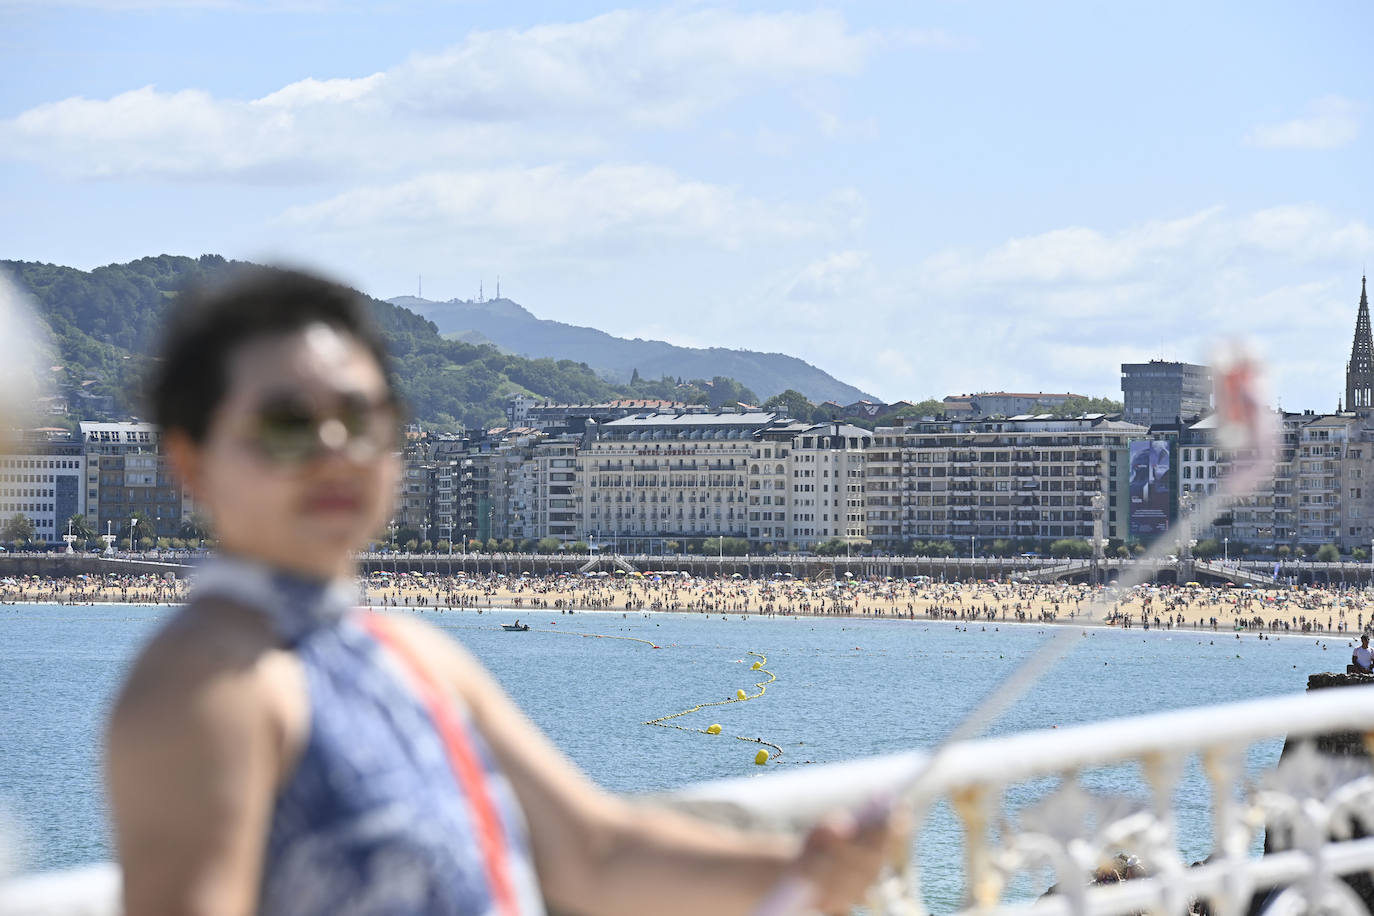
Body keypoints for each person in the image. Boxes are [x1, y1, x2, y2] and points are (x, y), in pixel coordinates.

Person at [105, 268, 899, 916]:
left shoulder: (409, 652)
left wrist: (802, 867)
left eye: (364, 418)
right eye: (288, 424)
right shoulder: (205, 684)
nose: (336, 448)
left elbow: (594, 853)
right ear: (190, 459)